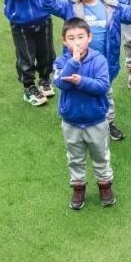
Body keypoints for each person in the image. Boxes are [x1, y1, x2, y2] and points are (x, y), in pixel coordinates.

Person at [40, 0, 131, 142]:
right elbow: (49, 4)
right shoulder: (69, 7)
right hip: (78, 63)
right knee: (78, 91)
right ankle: (77, 121)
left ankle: (109, 123)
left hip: (105, 64)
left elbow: (128, 14)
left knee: (106, 94)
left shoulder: (111, 6)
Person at [52, 18, 115, 210]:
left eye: (81, 37)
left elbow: (102, 86)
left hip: (96, 121)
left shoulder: (99, 60)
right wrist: (74, 61)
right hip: (71, 122)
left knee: (101, 155)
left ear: (89, 37)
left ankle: (105, 185)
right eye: (71, 38)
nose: (77, 42)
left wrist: (80, 81)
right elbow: (60, 83)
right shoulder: (61, 61)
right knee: (75, 158)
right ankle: (78, 186)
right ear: (64, 41)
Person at [0, 0, 55, 107]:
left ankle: (45, 79)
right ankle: (29, 87)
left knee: (47, 53)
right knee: (26, 57)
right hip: (20, 22)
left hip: (43, 17)